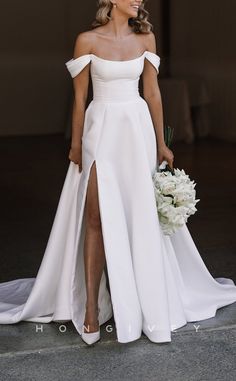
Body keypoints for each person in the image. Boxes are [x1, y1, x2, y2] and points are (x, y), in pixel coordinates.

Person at [0, 0, 236, 346]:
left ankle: (143, 303)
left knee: (138, 215)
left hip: (136, 131)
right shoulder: (87, 40)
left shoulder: (146, 39)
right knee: (94, 216)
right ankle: (91, 312)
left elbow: (152, 92)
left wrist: (161, 142)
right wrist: (77, 143)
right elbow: (80, 99)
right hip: (100, 131)